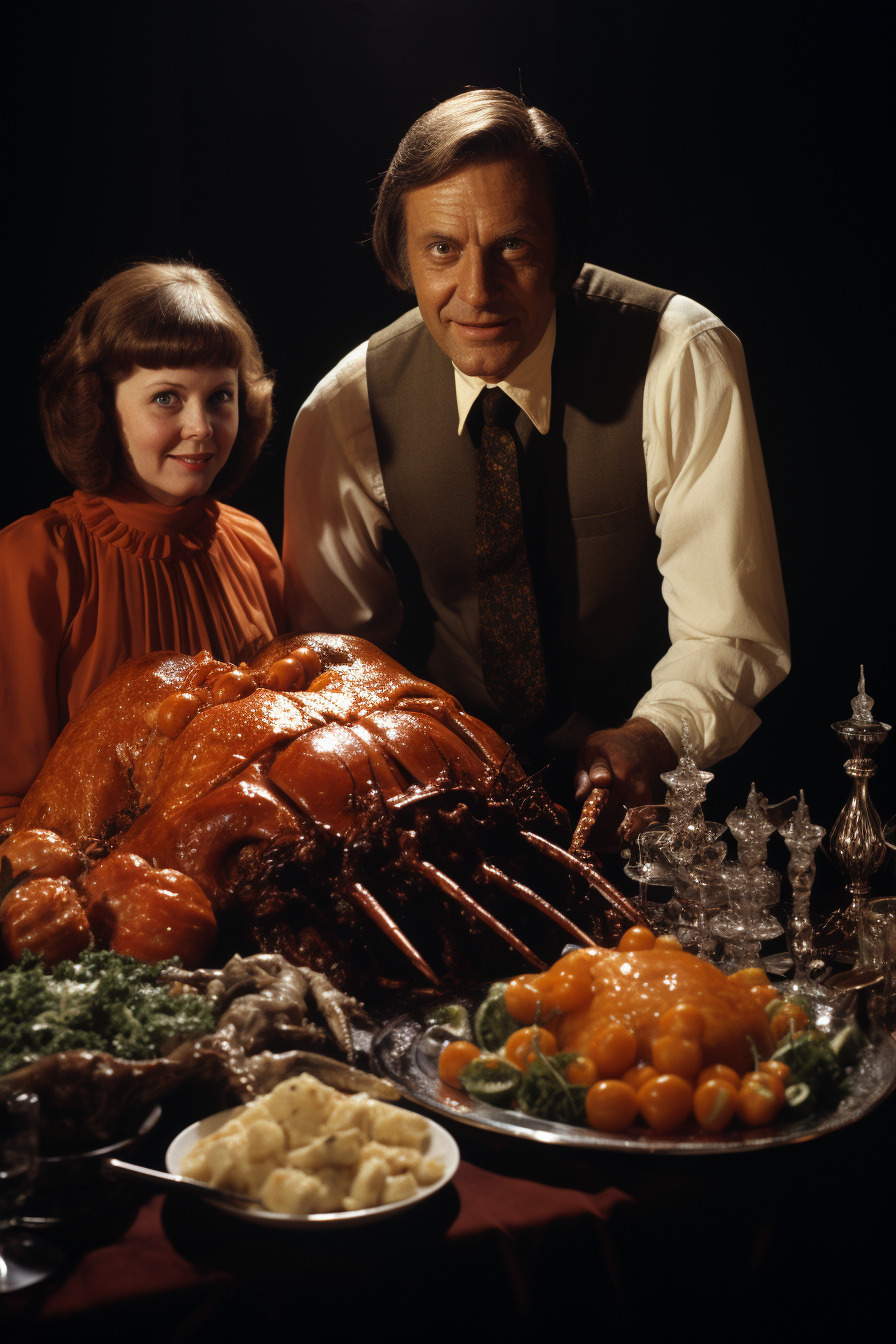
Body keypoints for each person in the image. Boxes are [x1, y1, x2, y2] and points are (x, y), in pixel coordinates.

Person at [282, 89, 790, 845]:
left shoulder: (679, 355)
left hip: (660, 815)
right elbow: (338, 669)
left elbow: (730, 633)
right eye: (442, 249)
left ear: (563, 248)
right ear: (402, 257)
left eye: (513, 246)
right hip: (446, 822)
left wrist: (654, 735)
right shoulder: (345, 407)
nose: (477, 293)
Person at [0, 262, 285, 823]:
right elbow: (7, 803)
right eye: (167, 398)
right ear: (98, 406)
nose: (201, 427)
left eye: (220, 397)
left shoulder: (253, 546)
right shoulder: (32, 562)